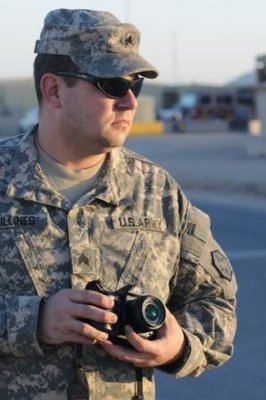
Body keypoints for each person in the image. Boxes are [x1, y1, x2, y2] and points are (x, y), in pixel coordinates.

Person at [0, 8, 237, 400]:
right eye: (110, 84)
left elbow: (216, 304)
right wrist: (34, 320)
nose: (129, 102)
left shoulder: (158, 191)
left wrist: (177, 346)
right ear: (54, 90)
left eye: (136, 85)